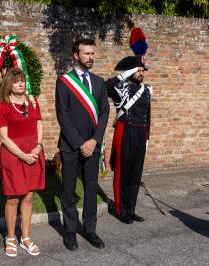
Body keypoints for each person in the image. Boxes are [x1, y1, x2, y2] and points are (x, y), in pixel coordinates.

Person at [55, 39, 109, 251]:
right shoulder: (64, 82)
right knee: (68, 190)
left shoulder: (99, 82)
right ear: (76, 55)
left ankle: (90, 229)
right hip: (70, 146)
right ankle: (69, 231)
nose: (91, 57)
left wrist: (94, 140)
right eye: (86, 53)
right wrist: (80, 143)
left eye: (92, 53)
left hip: (93, 146)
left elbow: (104, 113)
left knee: (90, 189)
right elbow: (63, 115)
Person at [0, 68, 45, 257]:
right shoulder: (4, 106)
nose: (21, 84)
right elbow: (4, 138)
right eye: (16, 81)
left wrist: (39, 146)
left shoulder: (33, 101)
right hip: (13, 155)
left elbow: (39, 124)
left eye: (23, 80)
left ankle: (25, 237)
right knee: (13, 198)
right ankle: (10, 237)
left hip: (34, 152)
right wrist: (23, 155)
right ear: (9, 84)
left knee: (29, 197)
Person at [106, 55, 152, 224]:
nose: (140, 73)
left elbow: (148, 116)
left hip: (141, 134)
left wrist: (147, 138)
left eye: (141, 70)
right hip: (125, 131)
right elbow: (105, 87)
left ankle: (131, 209)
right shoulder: (120, 87)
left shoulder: (146, 90)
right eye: (137, 70)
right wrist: (124, 75)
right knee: (122, 172)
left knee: (135, 174)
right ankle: (120, 209)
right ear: (130, 71)